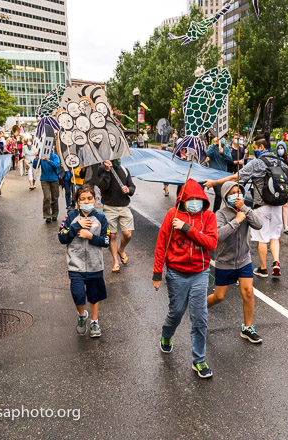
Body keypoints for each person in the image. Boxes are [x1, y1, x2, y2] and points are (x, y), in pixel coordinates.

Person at [204, 147, 288, 278]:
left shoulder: (256, 163)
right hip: (278, 205)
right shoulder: (281, 162)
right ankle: (276, 262)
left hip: (262, 206)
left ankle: (263, 269)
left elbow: (236, 178)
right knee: (275, 236)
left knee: (262, 238)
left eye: (256, 147)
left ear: (260, 147)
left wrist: (214, 183)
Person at [152, 179, 218, 379]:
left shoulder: (209, 216)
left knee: (200, 317)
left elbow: (211, 243)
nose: (195, 202)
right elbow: (161, 243)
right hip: (176, 274)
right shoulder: (172, 215)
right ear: (183, 199)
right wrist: (157, 273)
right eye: (191, 199)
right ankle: (166, 336)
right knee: (176, 312)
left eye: (199, 199)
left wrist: (187, 228)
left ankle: (199, 360)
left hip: (200, 273)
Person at [207, 181, 264, 343]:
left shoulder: (245, 210)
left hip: (244, 260)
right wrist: (236, 221)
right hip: (225, 261)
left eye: (238, 192)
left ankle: (247, 327)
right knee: (219, 297)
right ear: (225, 196)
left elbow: (259, 225)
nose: (235, 196)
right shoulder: (220, 214)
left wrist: (245, 210)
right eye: (231, 193)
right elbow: (217, 236)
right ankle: (199, 310)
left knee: (248, 292)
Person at [58, 184, 110, 338]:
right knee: (78, 294)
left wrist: (90, 236)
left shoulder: (101, 218)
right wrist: (76, 227)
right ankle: (82, 316)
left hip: (95, 266)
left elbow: (106, 241)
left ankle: (94, 322)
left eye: (89, 198)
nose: (86, 201)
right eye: (83, 199)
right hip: (76, 266)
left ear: (95, 199)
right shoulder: (71, 217)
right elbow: (62, 237)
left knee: (94, 296)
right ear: (78, 201)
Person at [97, 159, 136, 273]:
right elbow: (103, 186)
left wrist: (128, 190)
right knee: (112, 236)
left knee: (127, 234)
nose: (118, 159)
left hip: (124, 206)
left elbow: (132, 187)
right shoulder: (101, 169)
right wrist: (108, 171)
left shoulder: (124, 170)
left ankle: (121, 249)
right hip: (109, 207)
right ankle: (115, 261)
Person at [33, 151, 61, 223]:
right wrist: (36, 158)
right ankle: (47, 215)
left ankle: (55, 214)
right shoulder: (40, 156)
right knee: (47, 198)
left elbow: (56, 165)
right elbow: (35, 166)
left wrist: (48, 161)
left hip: (54, 179)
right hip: (44, 179)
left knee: (55, 198)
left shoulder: (55, 156)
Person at [274, 140, 288, 235]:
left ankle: (286, 225)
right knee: (277, 205)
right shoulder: (274, 159)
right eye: (279, 148)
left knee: (285, 204)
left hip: (286, 184)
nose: (280, 150)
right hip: (277, 184)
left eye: (282, 148)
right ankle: (276, 225)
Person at [206, 136, 232, 212]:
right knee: (218, 193)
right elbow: (208, 154)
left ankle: (216, 212)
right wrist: (214, 145)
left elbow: (230, 159)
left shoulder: (226, 149)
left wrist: (223, 153)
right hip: (213, 174)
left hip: (223, 175)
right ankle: (214, 212)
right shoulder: (212, 147)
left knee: (221, 195)